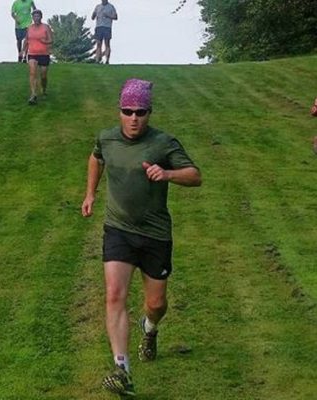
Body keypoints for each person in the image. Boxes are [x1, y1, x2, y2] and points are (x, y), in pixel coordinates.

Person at [81, 79, 202, 396]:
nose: (134, 118)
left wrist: (168, 173)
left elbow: (195, 175)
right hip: (118, 229)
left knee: (156, 304)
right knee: (114, 295)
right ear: (119, 111)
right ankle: (122, 370)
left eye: (140, 112)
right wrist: (90, 193)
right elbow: (96, 158)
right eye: (127, 111)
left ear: (149, 112)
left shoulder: (163, 143)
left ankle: (149, 328)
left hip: (154, 234)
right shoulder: (107, 138)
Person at [23, 9, 53, 105]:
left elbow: (51, 40)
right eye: (34, 16)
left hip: (44, 54)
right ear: (32, 18)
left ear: (41, 17)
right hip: (32, 53)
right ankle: (33, 94)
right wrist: (22, 52)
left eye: (38, 16)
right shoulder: (29, 28)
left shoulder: (46, 27)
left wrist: (45, 42)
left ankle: (43, 89)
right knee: (32, 73)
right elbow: (26, 40)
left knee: (43, 76)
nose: (36, 18)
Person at [91, 0, 117, 64]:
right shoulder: (98, 6)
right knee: (98, 44)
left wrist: (108, 15)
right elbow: (92, 17)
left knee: (107, 44)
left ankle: (107, 60)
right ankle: (97, 60)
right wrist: (94, 14)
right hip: (99, 27)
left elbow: (115, 17)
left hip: (107, 27)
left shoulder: (111, 7)